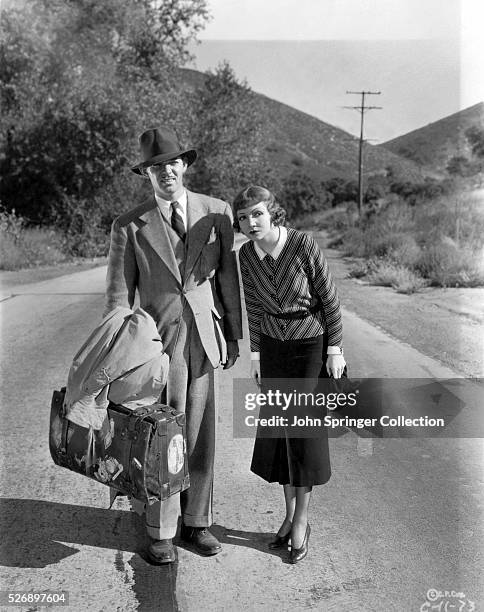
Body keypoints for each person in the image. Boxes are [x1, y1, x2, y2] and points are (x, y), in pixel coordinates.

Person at [104, 126, 242, 564]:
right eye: (155, 167)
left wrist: (234, 337)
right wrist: (119, 355)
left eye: (172, 163)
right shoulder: (129, 225)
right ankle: (161, 531)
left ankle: (197, 524)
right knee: (160, 438)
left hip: (202, 340)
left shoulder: (217, 213)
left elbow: (228, 281)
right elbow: (116, 299)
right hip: (155, 347)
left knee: (199, 436)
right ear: (146, 174)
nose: (166, 172)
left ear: (185, 165)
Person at [233, 185, 346, 564]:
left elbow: (329, 299)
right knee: (280, 434)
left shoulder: (302, 244)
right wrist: (255, 355)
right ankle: (286, 515)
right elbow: (252, 304)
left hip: (310, 348)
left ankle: (302, 520)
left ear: (273, 213)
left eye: (257, 214)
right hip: (274, 348)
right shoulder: (246, 254)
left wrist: (335, 350)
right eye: (244, 217)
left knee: (304, 436)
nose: (251, 223)